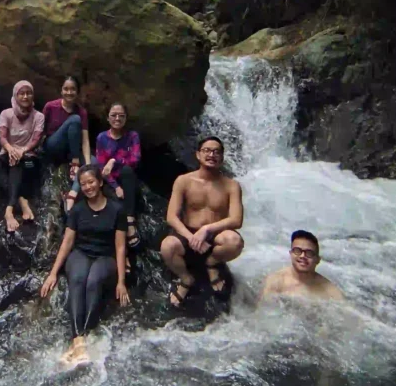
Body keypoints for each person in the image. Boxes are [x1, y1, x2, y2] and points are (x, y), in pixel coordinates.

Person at [41, 164, 130, 367]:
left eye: (91, 182)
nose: (88, 187)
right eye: (83, 184)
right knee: (78, 279)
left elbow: (120, 247)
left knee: (94, 281)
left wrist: (121, 282)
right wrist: (53, 273)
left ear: (100, 182)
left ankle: (81, 336)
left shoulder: (116, 210)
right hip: (80, 253)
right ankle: (78, 339)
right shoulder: (78, 210)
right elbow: (67, 242)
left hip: (104, 256)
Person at [160, 136, 244, 306]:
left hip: (215, 234)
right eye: (207, 150)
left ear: (222, 157)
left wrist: (206, 229)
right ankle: (185, 278)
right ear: (198, 155)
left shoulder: (231, 185)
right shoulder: (183, 181)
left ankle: (211, 263)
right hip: (187, 232)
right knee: (167, 247)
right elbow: (171, 217)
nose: (212, 154)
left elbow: (236, 220)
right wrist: (190, 237)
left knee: (235, 242)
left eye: (216, 152)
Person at [0, 80, 45, 233]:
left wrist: (22, 150)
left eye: (29, 93)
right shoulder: (6, 114)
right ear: (15, 95)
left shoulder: (38, 116)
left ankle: (9, 210)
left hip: (29, 159)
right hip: (8, 154)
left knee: (19, 162)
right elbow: (2, 137)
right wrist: (10, 149)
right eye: (22, 93)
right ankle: (21, 200)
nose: (25, 96)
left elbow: (36, 139)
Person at [95, 102, 142, 251]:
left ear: (126, 118)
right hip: (110, 182)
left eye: (121, 116)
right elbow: (103, 169)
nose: (117, 119)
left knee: (127, 170)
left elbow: (135, 159)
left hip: (127, 179)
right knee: (114, 205)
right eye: (113, 115)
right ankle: (122, 252)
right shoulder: (102, 138)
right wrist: (115, 187)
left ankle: (130, 220)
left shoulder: (132, 136)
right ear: (108, 118)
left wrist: (114, 160)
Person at [261, 231, 344, 302]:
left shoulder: (329, 291)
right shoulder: (276, 281)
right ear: (291, 254)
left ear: (317, 260)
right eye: (297, 251)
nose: (303, 256)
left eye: (309, 253)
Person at [42, 75, 91, 180]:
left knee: (93, 163)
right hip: (53, 146)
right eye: (66, 89)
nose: (69, 92)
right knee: (74, 120)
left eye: (73, 89)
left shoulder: (82, 112)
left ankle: (73, 194)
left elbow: (85, 140)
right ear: (61, 91)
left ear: (77, 92)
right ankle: (75, 163)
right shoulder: (50, 106)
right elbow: (40, 130)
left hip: (71, 151)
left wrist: (88, 165)